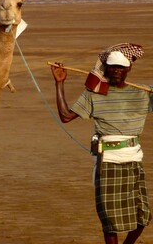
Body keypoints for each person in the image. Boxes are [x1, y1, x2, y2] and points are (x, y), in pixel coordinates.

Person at [51, 43, 153, 244]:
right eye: (112, 66)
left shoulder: (144, 92)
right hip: (107, 161)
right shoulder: (94, 94)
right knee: (109, 220)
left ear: (128, 69)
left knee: (143, 217)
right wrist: (59, 83)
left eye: (121, 67)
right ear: (106, 68)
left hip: (133, 159)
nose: (116, 70)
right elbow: (65, 116)